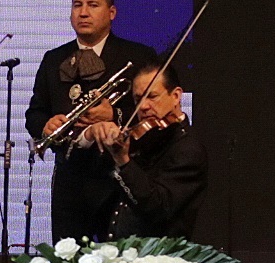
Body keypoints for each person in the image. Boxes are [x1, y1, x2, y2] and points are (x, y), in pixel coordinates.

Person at [25, 0, 160, 244]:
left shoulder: (138, 56)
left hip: (120, 177)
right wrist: (46, 125)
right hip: (70, 181)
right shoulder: (53, 58)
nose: (83, 12)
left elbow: (153, 111)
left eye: (92, 5)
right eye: (77, 5)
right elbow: (34, 113)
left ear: (112, 12)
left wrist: (114, 116)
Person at [79, 62, 207, 241]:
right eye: (138, 99)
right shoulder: (138, 137)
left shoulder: (187, 148)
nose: (143, 107)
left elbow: (157, 207)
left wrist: (123, 160)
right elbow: (97, 182)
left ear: (176, 95)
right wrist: (94, 135)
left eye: (152, 96)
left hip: (157, 258)